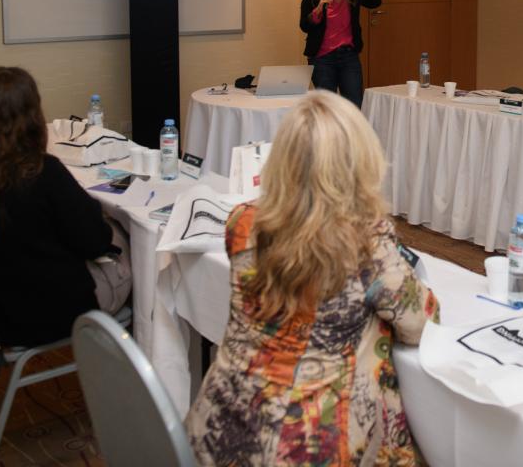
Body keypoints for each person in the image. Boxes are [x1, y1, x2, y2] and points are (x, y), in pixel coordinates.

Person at [185, 91, 438, 466]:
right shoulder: (366, 243)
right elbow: (420, 322)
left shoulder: (243, 222)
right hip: (312, 446)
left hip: (223, 431)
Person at [0, 67, 117, 347]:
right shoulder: (42, 173)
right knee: (135, 248)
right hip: (53, 313)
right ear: (32, 117)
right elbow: (95, 243)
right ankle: (137, 354)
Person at [299, 0, 381, 107]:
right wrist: (316, 12)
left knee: (353, 106)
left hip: (348, 56)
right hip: (322, 59)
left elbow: (375, 2)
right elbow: (304, 25)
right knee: (327, 108)